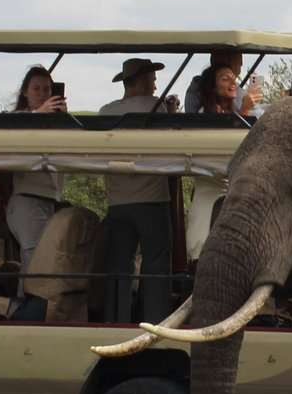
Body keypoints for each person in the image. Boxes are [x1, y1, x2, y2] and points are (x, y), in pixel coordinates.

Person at [98, 58, 176, 323]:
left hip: (118, 202)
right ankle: (156, 324)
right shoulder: (155, 107)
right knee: (156, 267)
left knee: (120, 268)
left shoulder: (105, 111)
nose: (155, 86)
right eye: (153, 81)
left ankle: (116, 321)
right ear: (142, 81)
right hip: (152, 199)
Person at [6, 65, 68, 272]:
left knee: (42, 262)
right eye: (36, 89)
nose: (42, 94)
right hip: (28, 200)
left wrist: (64, 120)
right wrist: (38, 113)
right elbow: (13, 136)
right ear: (25, 92)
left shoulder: (53, 123)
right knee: (35, 264)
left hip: (48, 200)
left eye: (47, 90)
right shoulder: (19, 119)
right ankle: (27, 304)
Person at [184, 52, 263, 116]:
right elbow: (229, 134)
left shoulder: (227, 111)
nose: (234, 83)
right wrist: (244, 109)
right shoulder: (206, 114)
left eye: (233, 78)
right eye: (225, 79)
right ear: (213, 87)